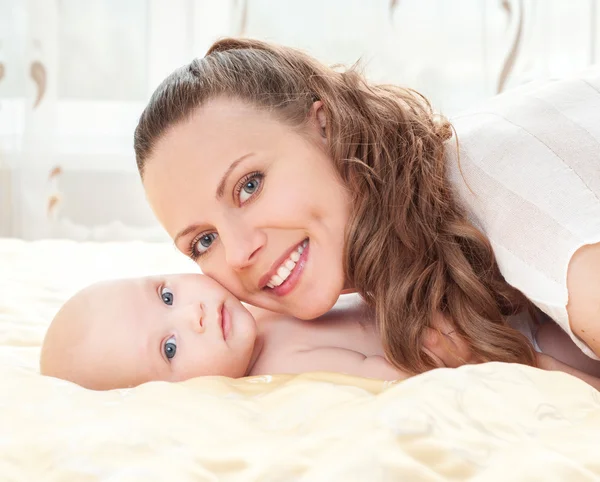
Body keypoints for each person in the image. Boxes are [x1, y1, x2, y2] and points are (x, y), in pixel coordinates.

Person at [133, 37, 600, 374]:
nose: (238, 254)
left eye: (249, 185)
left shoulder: (491, 182)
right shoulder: (394, 278)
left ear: (327, 128)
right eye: (204, 241)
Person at [39, 273, 600, 391]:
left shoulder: (252, 291)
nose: (195, 315)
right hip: (486, 342)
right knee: (565, 352)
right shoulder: (280, 366)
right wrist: (448, 354)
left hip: (481, 295)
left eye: (166, 295)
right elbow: (376, 375)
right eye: (170, 346)